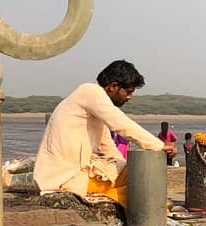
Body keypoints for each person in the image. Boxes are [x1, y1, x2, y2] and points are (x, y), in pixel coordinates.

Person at [33, 60, 165, 209]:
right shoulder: (90, 91)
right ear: (113, 87)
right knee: (141, 185)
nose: (129, 97)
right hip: (65, 178)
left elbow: (107, 146)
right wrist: (158, 146)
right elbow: (120, 123)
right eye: (128, 92)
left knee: (135, 175)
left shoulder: (93, 104)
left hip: (72, 175)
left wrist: (124, 167)